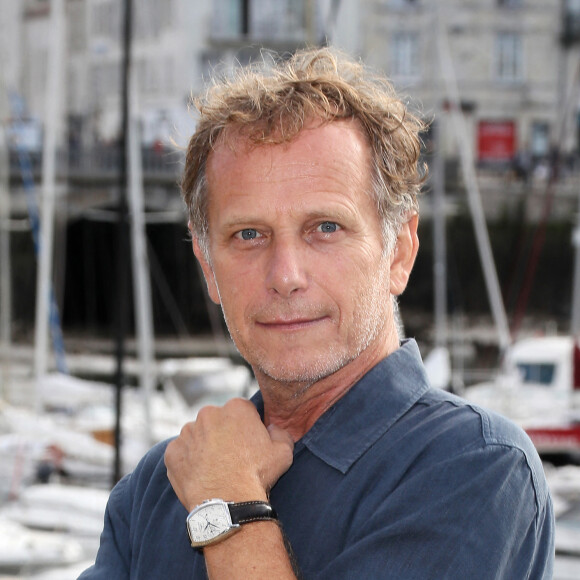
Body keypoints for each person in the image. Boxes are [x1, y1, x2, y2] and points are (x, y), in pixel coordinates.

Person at [79, 47, 554, 579]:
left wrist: (228, 502)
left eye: (325, 228)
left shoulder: (475, 467)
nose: (285, 274)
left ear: (399, 252)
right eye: (248, 235)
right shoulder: (154, 487)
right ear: (208, 268)